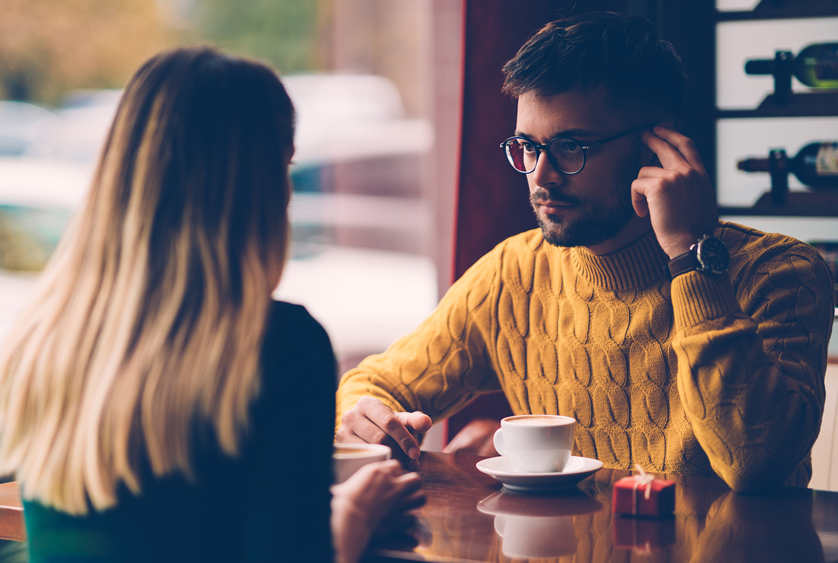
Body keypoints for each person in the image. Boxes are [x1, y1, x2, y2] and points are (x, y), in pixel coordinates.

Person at [335, 11, 835, 491]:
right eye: (528, 146)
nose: (540, 174)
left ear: (655, 148)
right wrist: (369, 419)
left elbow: (754, 466)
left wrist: (691, 256)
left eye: (572, 147)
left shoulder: (782, 274)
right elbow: (374, 383)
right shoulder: (516, 272)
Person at [0, 47, 422, 563]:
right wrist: (354, 516)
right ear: (257, 189)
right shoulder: (283, 347)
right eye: (283, 166)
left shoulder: (44, 336)